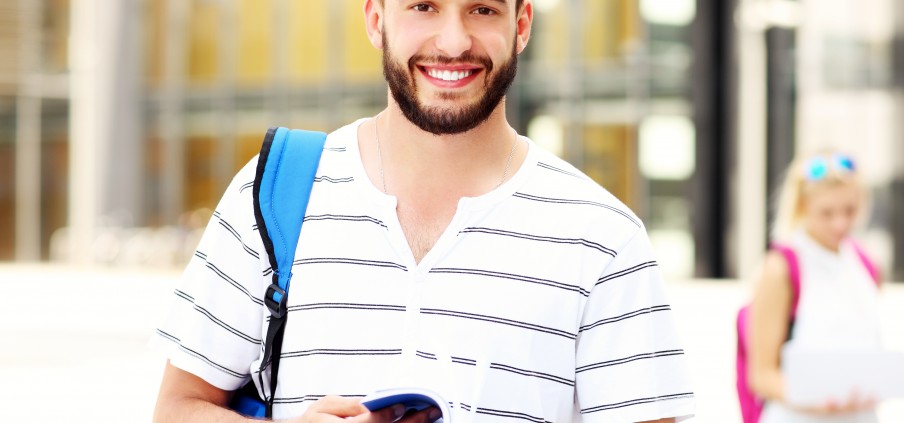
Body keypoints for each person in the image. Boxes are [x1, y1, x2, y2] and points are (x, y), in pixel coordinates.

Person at [150, 1, 695, 422]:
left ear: (522, 23)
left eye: (482, 9)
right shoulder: (275, 191)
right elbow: (177, 407)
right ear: (375, 18)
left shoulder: (602, 237)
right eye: (423, 6)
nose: (454, 41)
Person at [746, 153, 884, 423]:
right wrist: (817, 398)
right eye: (826, 213)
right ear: (802, 206)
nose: (840, 223)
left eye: (849, 210)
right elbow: (761, 375)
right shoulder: (781, 267)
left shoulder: (865, 262)